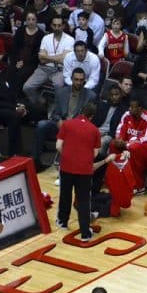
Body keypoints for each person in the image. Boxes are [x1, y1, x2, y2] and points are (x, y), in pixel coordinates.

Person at [55, 102, 103, 240]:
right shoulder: (95, 130)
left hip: (66, 167)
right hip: (84, 170)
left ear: (81, 111)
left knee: (65, 194)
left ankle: (62, 222)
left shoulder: (67, 124)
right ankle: (85, 233)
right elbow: (94, 153)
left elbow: (58, 146)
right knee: (83, 200)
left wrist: (69, 156)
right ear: (92, 116)